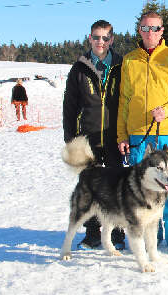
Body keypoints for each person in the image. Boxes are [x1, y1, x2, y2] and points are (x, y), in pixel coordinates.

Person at [117, 11, 168, 258]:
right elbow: (124, 100)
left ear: (162, 31)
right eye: (145, 28)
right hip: (138, 134)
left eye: (155, 28)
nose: (150, 33)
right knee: (141, 187)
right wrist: (122, 135)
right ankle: (147, 236)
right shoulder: (129, 60)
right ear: (139, 30)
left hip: (166, 132)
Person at [63, 19, 125, 250]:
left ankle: (117, 235)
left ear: (112, 39)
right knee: (89, 187)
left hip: (114, 138)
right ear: (90, 38)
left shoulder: (121, 64)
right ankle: (91, 234)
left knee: (117, 186)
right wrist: (71, 138)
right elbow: (69, 105)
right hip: (87, 139)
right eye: (96, 37)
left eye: (105, 37)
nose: (101, 42)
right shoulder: (79, 68)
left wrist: (125, 134)